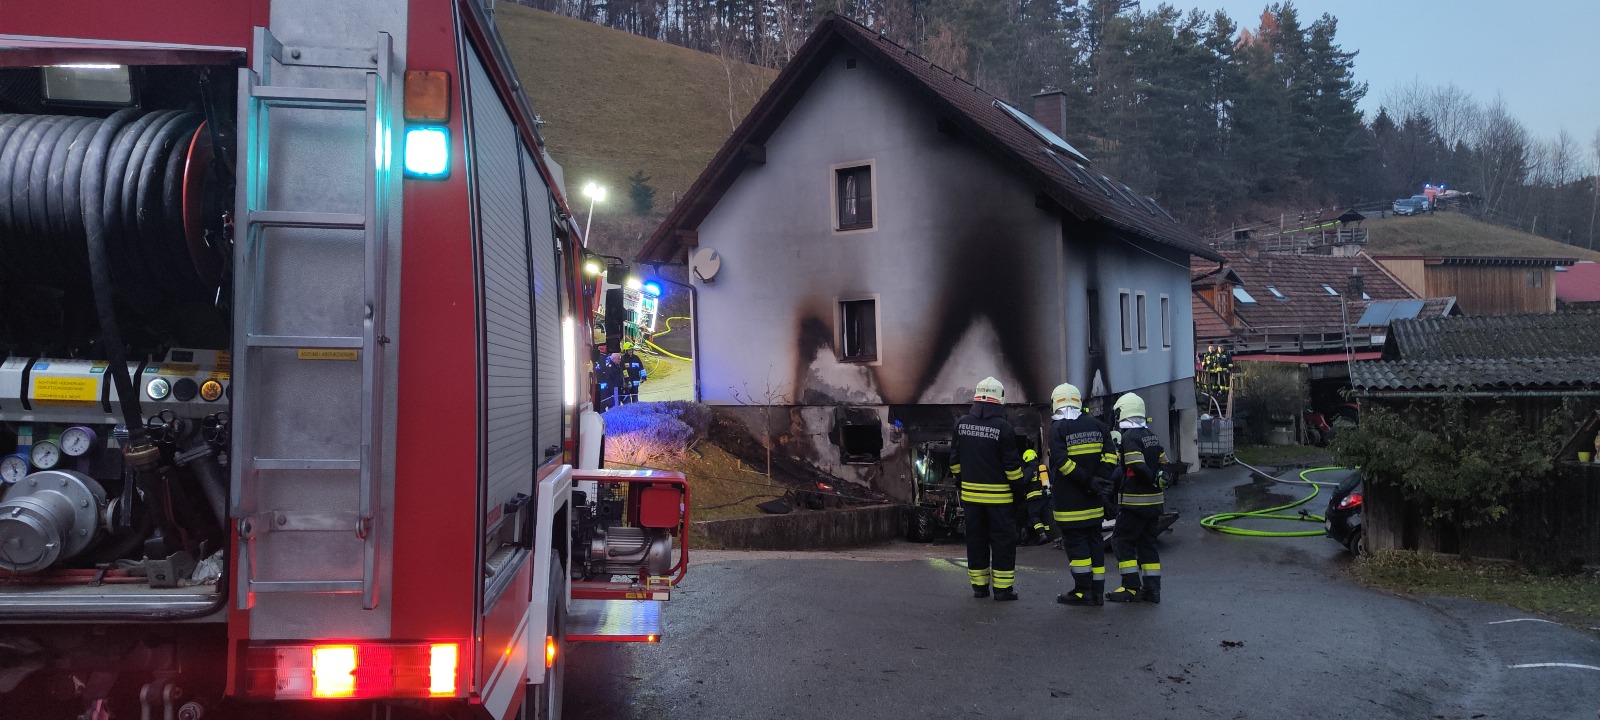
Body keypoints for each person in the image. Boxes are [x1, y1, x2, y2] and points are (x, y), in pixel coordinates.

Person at [951, 376, 1024, 601]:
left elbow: (954, 462)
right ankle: (1002, 590)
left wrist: (961, 483)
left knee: (976, 541)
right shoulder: (1004, 427)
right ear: (999, 399)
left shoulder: (962, 424)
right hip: (1000, 500)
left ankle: (979, 587)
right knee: (1002, 542)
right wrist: (1019, 492)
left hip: (971, 499)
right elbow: (1012, 469)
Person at [1047, 383, 1117, 607]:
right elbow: (1111, 456)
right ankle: (1097, 591)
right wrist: (1099, 481)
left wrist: (1088, 481)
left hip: (1070, 503)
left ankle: (1083, 591)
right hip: (1094, 502)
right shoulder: (1098, 425)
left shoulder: (1057, 429)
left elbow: (1062, 464)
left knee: (1077, 547)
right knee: (1095, 543)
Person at [1107, 393, 1168, 604]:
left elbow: (1136, 464)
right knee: (1147, 544)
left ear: (1123, 412)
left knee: (1121, 541)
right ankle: (1152, 590)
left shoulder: (1130, 437)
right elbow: (1165, 463)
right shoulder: (1151, 435)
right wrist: (1159, 478)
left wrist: (1150, 477)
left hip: (1135, 503)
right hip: (1154, 503)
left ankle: (1130, 587)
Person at [1018, 448, 1052, 546]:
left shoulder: (1029, 469)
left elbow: (1023, 482)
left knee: (1034, 516)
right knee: (1044, 517)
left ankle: (1042, 534)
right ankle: (1047, 537)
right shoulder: (1043, 468)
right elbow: (1050, 480)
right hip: (1045, 496)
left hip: (1033, 497)